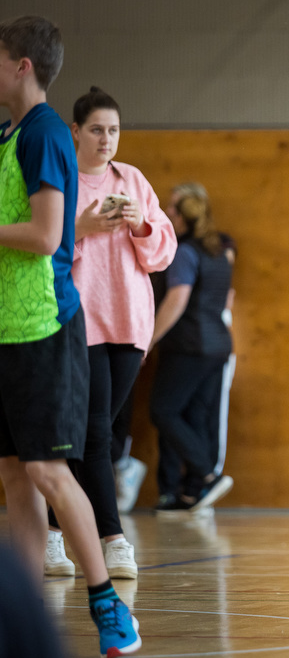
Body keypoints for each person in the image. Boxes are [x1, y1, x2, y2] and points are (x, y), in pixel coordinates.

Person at [0, 15, 141, 658]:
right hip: (8, 331)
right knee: (14, 475)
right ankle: (24, 620)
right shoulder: (10, 135)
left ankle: (109, 604)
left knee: (48, 469)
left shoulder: (45, 133)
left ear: (22, 65)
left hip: (44, 328)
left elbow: (46, 234)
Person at [43, 87, 177, 580]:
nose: (106, 139)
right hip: (79, 323)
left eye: (114, 130)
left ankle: (52, 533)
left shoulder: (133, 180)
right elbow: (42, 251)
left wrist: (142, 225)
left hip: (129, 323)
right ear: (75, 132)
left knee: (88, 433)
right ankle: (113, 540)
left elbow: (163, 254)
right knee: (96, 431)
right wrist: (80, 227)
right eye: (97, 130)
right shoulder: (61, 182)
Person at [148, 185, 234, 512]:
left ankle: (208, 475)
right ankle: (190, 493)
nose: (168, 212)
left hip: (189, 346)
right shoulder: (220, 251)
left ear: (184, 216)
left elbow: (177, 300)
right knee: (196, 417)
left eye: (173, 208)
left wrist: (149, 339)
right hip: (218, 345)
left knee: (163, 410)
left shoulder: (184, 252)